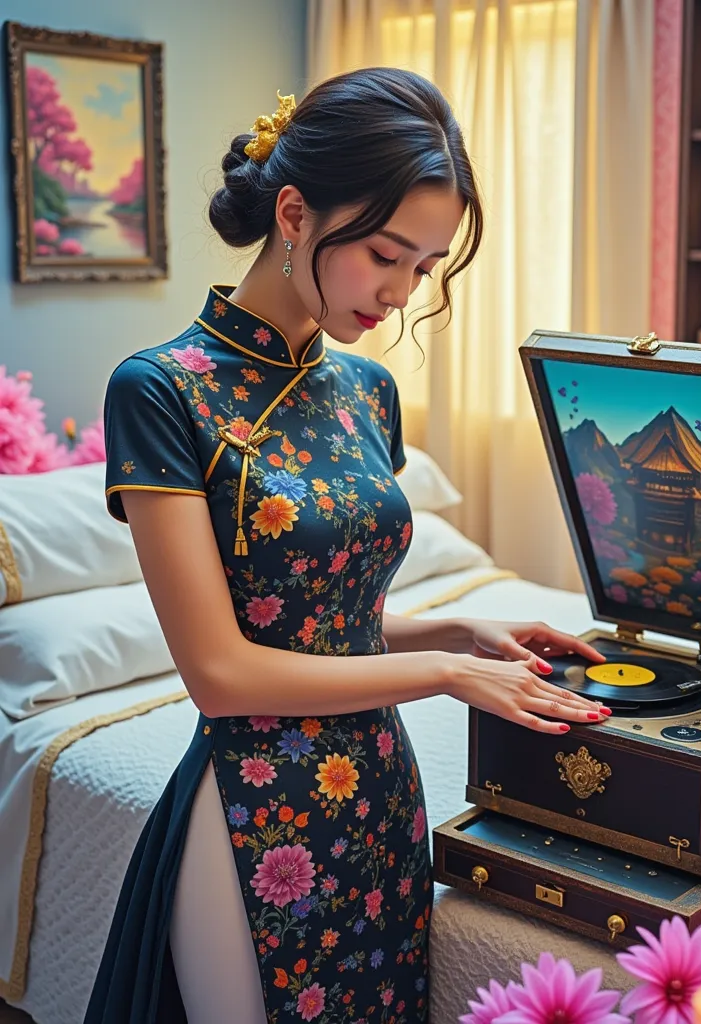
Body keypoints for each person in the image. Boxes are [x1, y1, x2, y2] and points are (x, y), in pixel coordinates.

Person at [83, 67, 610, 1024]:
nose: (404, 293)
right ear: (294, 212)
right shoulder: (160, 391)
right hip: (254, 805)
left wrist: (461, 630)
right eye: (385, 255)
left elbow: (328, 619)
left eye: (425, 266)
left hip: (376, 788)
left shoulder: (365, 390)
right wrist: (449, 675)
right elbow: (223, 671)